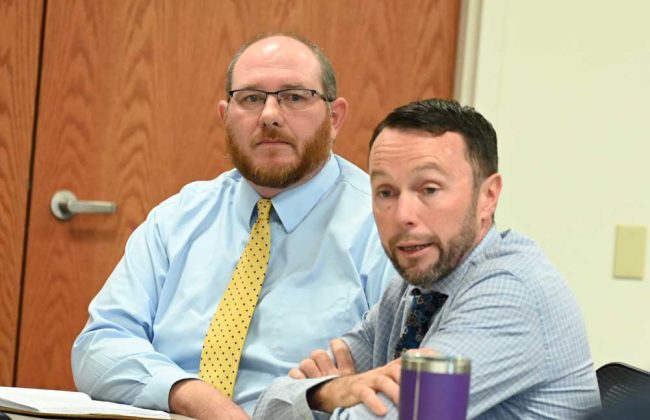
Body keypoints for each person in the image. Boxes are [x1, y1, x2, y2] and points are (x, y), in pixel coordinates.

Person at [71, 33, 396, 419]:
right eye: (251, 98)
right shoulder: (177, 218)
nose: (270, 115)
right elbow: (98, 346)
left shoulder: (383, 226)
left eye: (294, 96)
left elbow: (396, 386)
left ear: (335, 117)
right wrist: (191, 396)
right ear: (225, 117)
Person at [254, 98, 602, 419]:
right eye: (385, 192)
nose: (403, 214)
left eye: (429, 189)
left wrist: (329, 399)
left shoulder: (511, 294)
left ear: (488, 197)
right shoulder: (410, 291)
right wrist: (329, 392)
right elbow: (268, 407)